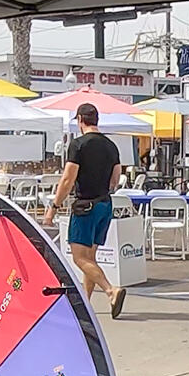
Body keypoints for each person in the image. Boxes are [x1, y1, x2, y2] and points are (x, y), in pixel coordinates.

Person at [50, 102, 127, 319]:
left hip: (85, 206)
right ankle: (85, 303)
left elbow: (67, 178)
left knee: (79, 258)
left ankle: (111, 290)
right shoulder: (111, 145)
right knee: (90, 257)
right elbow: (115, 180)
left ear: (80, 120)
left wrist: (54, 206)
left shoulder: (78, 145)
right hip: (105, 204)